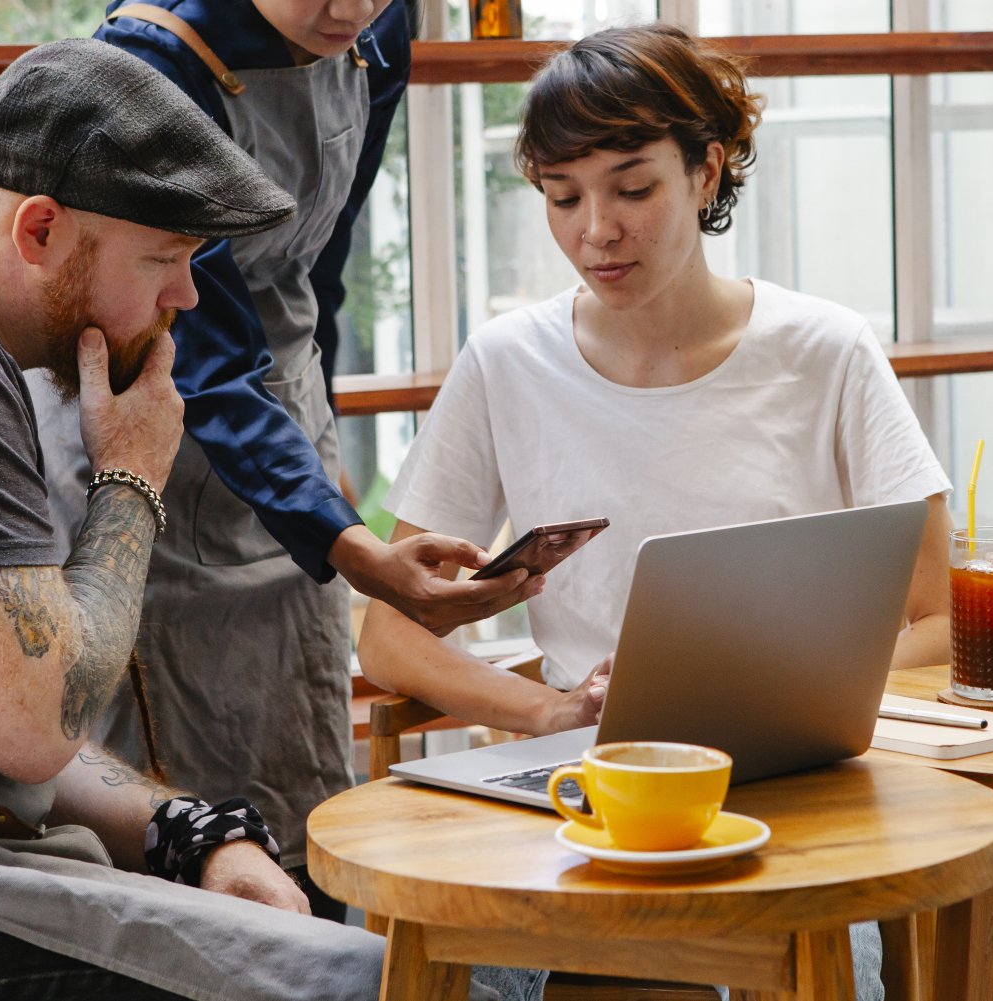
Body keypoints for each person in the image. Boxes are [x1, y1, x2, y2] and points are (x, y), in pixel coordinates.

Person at [0, 40, 502, 1001]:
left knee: (400, 963)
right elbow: (34, 730)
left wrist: (187, 832)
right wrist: (132, 477)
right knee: (391, 983)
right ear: (38, 230)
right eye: (163, 258)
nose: (187, 298)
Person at [358, 24, 954, 996]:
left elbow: (939, 620)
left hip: (785, 791)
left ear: (706, 171)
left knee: (776, 945)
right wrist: (550, 708)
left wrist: (786, 703)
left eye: (633, 188)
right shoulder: (506, 362)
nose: (597, 229)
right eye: (563, 197)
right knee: (549, 952)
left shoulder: (828, 352)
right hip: (585, 793)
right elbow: (388, 631)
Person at [25, 0, 532, 913]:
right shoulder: (154, 60)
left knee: (297, 736)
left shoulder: (380, 30)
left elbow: (320, 264)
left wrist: (321, 468)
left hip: (285, 403)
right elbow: (207, 351)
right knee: (181, 767)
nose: (349, 9)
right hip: (160, 402)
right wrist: (354, 545)